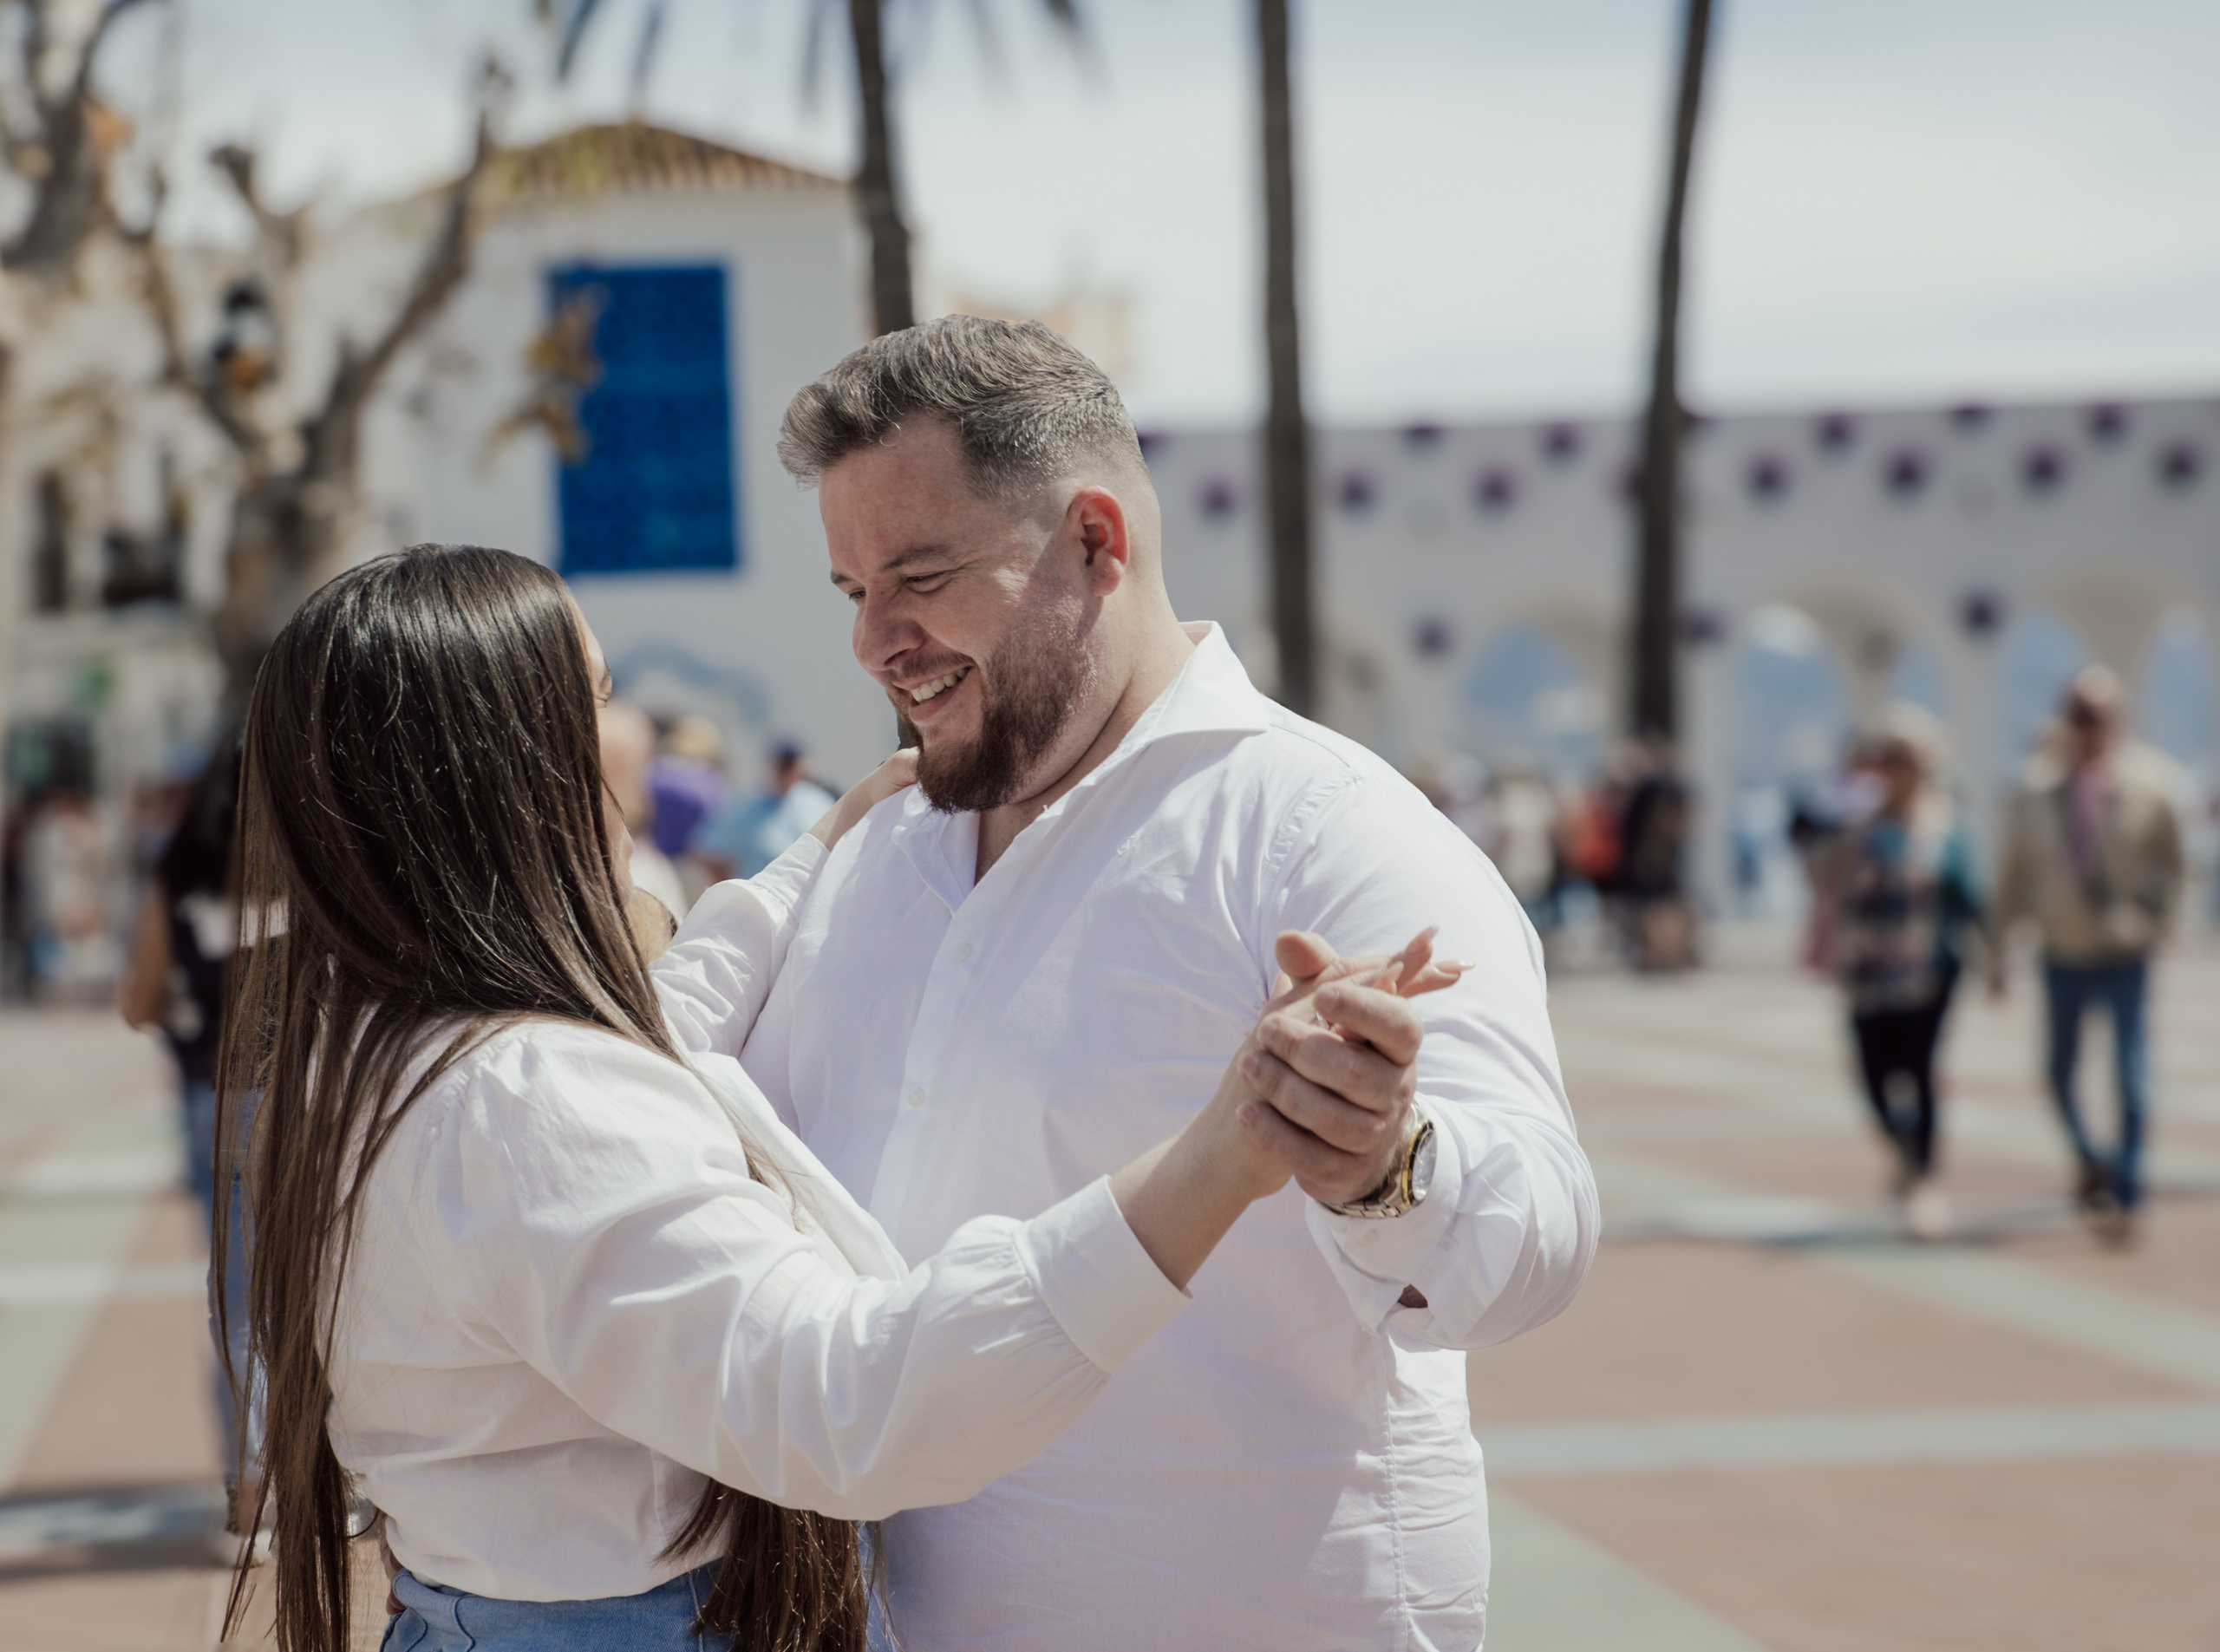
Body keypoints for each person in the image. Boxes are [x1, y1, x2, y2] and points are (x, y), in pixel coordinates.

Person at [222, 544, 1455, 1652]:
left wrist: (822, 845)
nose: (635, 730)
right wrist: (1226, 1150)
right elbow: (852, 1403)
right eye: (592, 697)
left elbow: (667, 1026)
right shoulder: (523, 1100)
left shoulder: (390, 1046)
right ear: (494, 764)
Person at [661, 317, 1597, 1651]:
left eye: (918, 575)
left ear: (1097, 543)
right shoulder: (867, 853)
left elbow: (1539, 1243)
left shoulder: (1325, 830)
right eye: (850, 591)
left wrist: (1382, 1165)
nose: (877, 640)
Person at [118, 731, 264, 1560]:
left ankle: (249, 1492)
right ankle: (346, 1477)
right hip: (323, 1096)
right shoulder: (320, 855)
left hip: (222, 1094)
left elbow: (139, 996)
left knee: (241, 1301)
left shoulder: (182, 873)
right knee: (335, 1286)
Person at [1993, 665, 2185, 1244]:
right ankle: (2092, 1157)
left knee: (2131, 1073)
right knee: (2057, 1072)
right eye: (2078, 715)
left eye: (2097, 716)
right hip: (2062, 949)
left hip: (2125, 951)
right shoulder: (2034, 792)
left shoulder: (2152, 785)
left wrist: (2154, 925)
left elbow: (2176, 870)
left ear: (2116, 721)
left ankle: (2125, 1189)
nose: (2088, 727)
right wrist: (1996, 949)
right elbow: (2013, 876)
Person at [1808, 709, 1982, 1239]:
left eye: (1902, 758)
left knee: (1921, 1072)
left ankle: (1924, 1178)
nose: (1893, 769)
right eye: (1886, 758)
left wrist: (1992, 958)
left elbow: (1969, 897)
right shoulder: (1857, 823)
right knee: (1873, 1075)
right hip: (1866, 971)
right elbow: (1819, 874)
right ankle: (1903, 1151)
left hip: (1926, 973)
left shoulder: (1943, 824)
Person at [695, 742, 839, 880]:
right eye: (782, 766)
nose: (786, 773)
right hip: (759, 896)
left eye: (790, 766)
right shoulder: (748, 805)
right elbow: (706, 849)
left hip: (805, 896)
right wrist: (730, 887)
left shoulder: (818, 802)